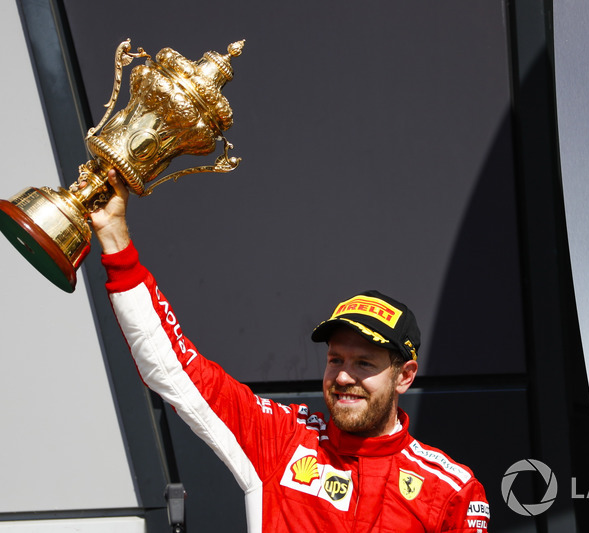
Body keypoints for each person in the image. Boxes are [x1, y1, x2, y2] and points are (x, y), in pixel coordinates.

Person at [91, 170, 490, 532]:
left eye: (364, 363)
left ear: (404, 375)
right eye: (336, 360)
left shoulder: (451, 490)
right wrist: (115, 238)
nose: (344, 376)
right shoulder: (282, 440)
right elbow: (174, 368)